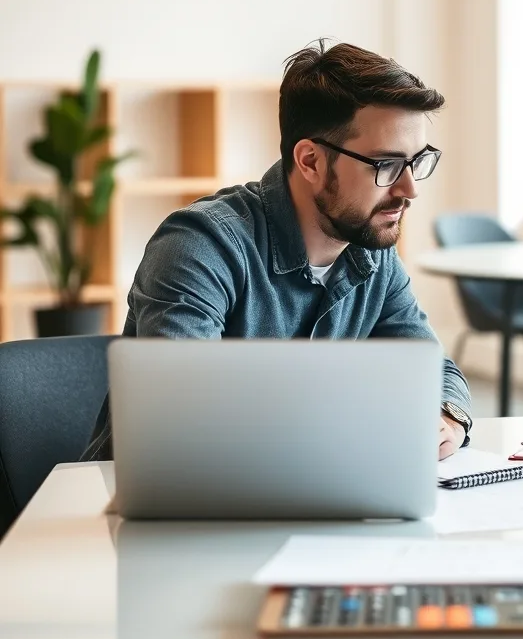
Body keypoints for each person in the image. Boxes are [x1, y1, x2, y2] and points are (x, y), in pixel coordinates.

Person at [82, 40, 472, 463]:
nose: (409, 189)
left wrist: (445, 418)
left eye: (418, 161)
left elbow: (434, 371)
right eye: (386, 165)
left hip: (302, 504)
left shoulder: (371, 253)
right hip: (158, 512)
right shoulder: (198, 247)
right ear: (311, 161)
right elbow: (178, 418)